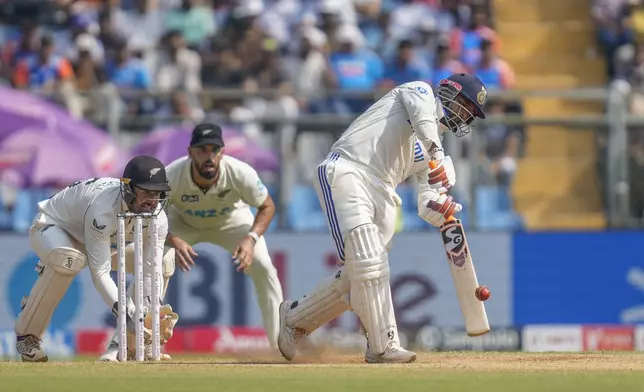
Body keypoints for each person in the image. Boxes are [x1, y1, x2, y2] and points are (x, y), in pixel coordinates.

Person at [277, 73, 488, 363]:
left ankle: (295, 318)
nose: (465, 118)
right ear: (451, 93)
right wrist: (437, 154)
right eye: (466, 108)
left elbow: (426, 204)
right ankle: (383, 346)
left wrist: (441, 209)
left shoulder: (435, 150)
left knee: (360, 275)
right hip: (349, 169)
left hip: (385, 193)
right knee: (368, 261)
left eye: (471, 116)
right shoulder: (419, 92)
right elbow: (423, 121)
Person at [101, 123, 284, 359]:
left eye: (214, 150)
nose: (209, 156)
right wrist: (174, 239)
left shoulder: (240, 173)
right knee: (151, 263)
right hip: (181, 225)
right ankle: (127, 342)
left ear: (223, 152)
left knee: (264, 268)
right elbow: (151, 216)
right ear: (190, 152)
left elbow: (267, 205)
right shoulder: (172, 175)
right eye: (202, 150)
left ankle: (280, 346)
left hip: (232, 222)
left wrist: (251, 238)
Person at [15, 155, 172, 362]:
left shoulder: (158, 217)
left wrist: (149, 312)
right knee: (68, 259)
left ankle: (130, 345)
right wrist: (127, 312)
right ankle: (28, 335)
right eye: (146, 192)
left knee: (162, 261)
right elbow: (100, 272)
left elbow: (151, 269)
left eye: (157, 192)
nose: (153, 200)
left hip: (107, 243)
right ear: (128, 188)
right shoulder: (104, 209)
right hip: (55, 228)